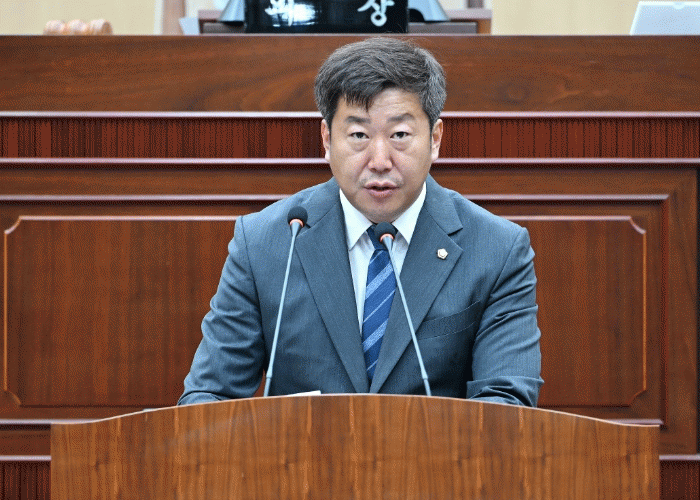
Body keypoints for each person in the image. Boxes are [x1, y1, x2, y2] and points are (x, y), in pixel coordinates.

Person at [178, 37, 543, 406]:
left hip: (438, 446)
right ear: (327, 139)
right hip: (301, 446)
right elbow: (208, 397)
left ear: (435, 139)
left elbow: (506, 404)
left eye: (399, 135)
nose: (379, 160)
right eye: (358, 135)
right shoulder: (264, 243)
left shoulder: (497, 250)